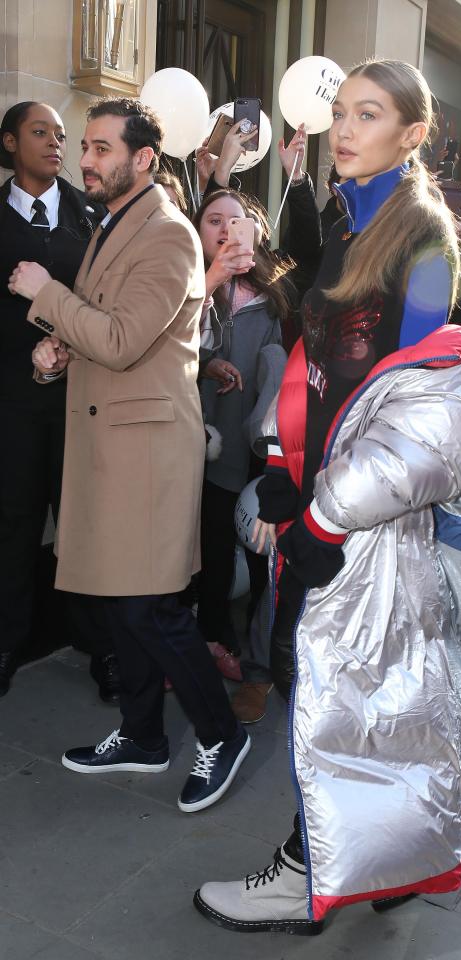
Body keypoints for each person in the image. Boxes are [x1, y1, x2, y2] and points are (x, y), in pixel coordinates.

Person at [193, 58, 461, 935]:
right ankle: (383, 863)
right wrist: (274, 457)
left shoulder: (422, 240)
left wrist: (330, 518)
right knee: (368, 692)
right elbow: (313, 365)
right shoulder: (345, 219)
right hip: (322, 495)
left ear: (412, 134)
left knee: (341, 693)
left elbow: (416, 410)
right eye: (340, 112)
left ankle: (306, 877)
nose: (344, 128)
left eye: (367, 114)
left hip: (376, 515)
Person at [8, 97, 250, 814]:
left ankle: (221, 732)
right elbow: (103, 334)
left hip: (145, 454)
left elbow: (121, 340)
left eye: (101, 148)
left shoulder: (170, 235)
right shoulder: (111, 223)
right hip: (107, 444)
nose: (85, 159)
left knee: (149, 608)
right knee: (118, 605)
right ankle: (144, 733)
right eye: (84, 146)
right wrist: (56, 356)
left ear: (144, 159)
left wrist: (45, 294)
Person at [0, 100, 118, 701]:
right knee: (15, 526)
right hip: (15, 407)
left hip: (84, 398)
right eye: (40, 132)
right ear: (10, 142)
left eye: (61, 135)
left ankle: (104, 651)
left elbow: (105, 302)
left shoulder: (90, 214)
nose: (54, 143)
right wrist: (26, 355)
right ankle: (6, 645)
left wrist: (73, 345)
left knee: (83, 526)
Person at [192, 188, 288, 683]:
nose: (227, 230)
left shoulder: (271, 297)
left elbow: (277, 367)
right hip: (205, 439)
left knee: (256, 551)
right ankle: (212, 638)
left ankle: (256, 649)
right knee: (209, 544)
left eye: (238, 221)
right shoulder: (193, 284)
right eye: (214, 221)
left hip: (257, 440)